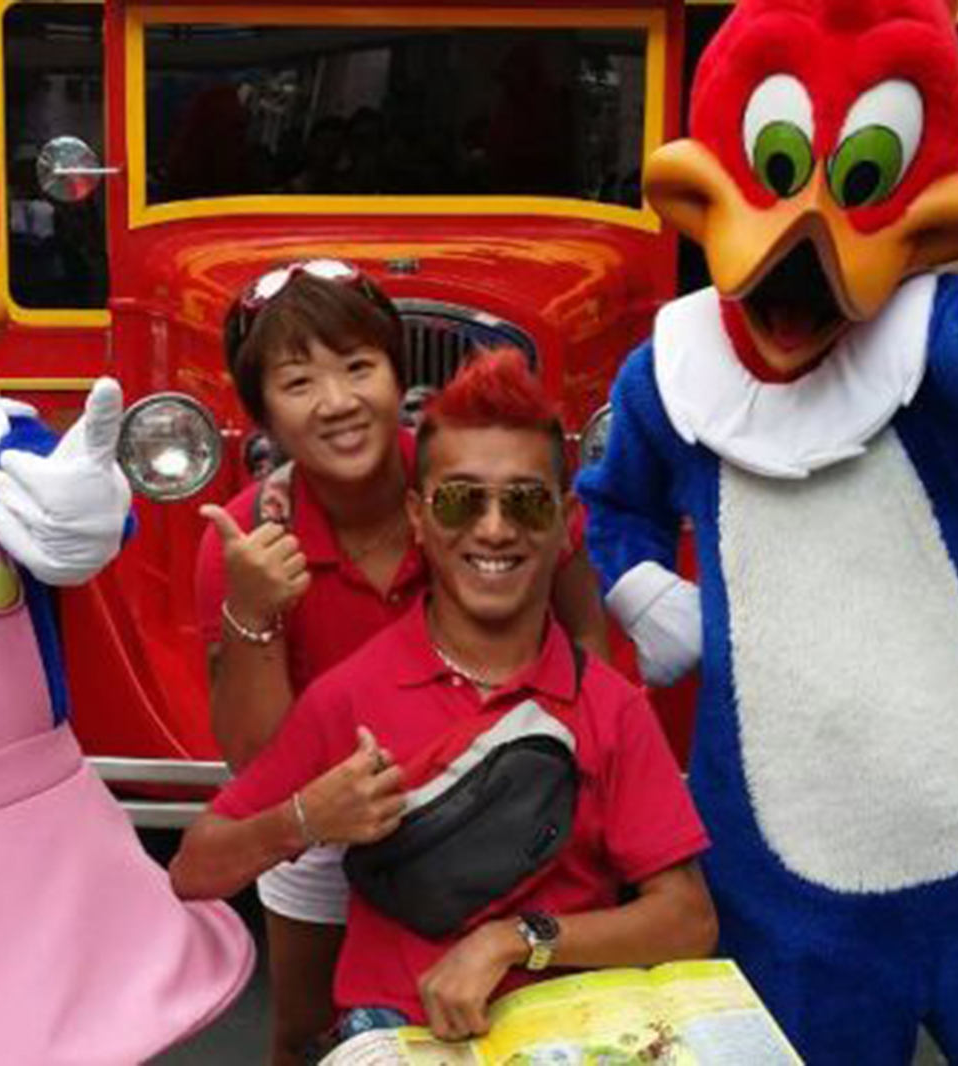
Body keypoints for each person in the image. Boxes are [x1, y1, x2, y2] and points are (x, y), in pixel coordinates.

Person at [173, 349, 716, 1051]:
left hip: (575, 1032)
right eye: (461, 500)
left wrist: (514, 942)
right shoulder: (353, 695)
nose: (493, 529)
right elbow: (196, 868)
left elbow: (687, 920)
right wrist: (307, 817)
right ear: (419, 518)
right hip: (400, 1035)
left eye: (524, 500)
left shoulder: (609, 706)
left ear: (563, 524)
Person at [195, 261, 609, 1064]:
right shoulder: (248, 540)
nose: (339, 401)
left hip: (501, 786)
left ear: (396, 373)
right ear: (263, 416)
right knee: (309, 1031)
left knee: (519, 1013)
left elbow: (586, 628)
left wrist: (585, 774)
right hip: (327, 805)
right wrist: (251, 609)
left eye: (359, 366)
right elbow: (255, 766)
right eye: (298, 380)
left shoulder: (470, 479)